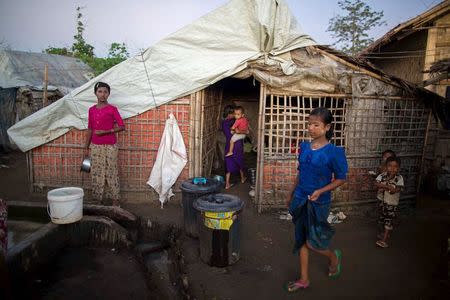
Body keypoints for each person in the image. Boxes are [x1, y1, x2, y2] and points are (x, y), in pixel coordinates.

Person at [285, 107, 348, 292]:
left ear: (327, 127)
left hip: (319, 202)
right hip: (300, 198)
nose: (310, 128)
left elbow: (341, 178)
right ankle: (304, 279)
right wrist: (291, 192)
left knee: (313, 242)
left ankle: (333, 257)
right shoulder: (304, 147)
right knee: (302, 239)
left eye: (316, 125)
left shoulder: (334, 152)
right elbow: (301, 172)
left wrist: (321, 190)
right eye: (309, 124)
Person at [85, 82, 125, 206]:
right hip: (95, 146)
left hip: (110, 146)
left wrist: (106, 131)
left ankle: (115, 201)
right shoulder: (91, 110)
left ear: (108, 94)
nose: (102, 94)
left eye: (105, 92)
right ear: (95, 93)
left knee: (111, 171)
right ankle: (98, 200)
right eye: (100, 91)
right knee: (96, 171)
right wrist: (86, 147)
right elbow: (90, 129)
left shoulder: (112, 109)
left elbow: (122, 126)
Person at [375, 156, 404, 248]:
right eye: (390, 166)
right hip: (382, 201)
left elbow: (397, 190)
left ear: (399, 168)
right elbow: (376, 183)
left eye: (395, 166)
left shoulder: (399, 178)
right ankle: (385, 234)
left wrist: (384, 186)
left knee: (388, 220)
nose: (392, 168)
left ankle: (384, 240)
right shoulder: (382, 175)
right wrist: (388, 187)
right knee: (382, 218)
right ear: (386, 166)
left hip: (392, 204)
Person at [221, 105, 247, 189]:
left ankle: (227, 183)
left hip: (229, 144)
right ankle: (242, 178)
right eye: (233, 113)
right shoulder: (236, 121)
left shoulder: (224, 123)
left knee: (229, 162)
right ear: (230, 113)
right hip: (237, 144)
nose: (235, 115)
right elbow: (245, 131)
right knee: (239, 160)